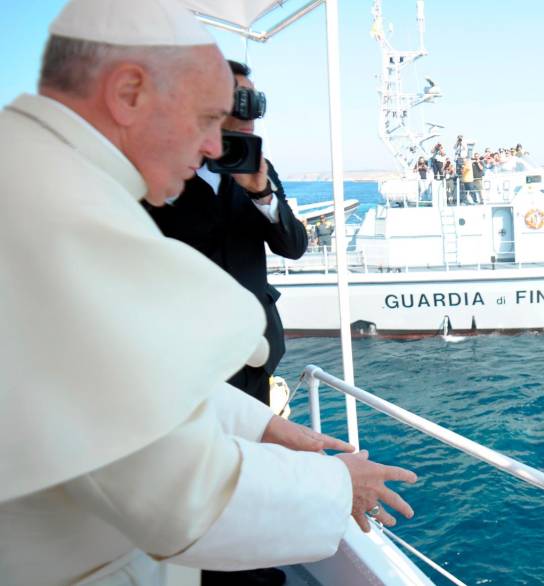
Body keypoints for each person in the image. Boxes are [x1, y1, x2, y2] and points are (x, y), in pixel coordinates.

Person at [0, 2, 416, 585]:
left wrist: (260, 425)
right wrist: (339, 483)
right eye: (206, 119)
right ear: (128, 94)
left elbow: (124, 380)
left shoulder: (45, 177)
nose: (215, 148)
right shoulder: (56, 216)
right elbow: (178, 494)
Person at [146, 59, 306, 408]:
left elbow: (293, 246)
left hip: (256, 355)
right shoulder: (159, 172)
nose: (251, 115)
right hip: (189, 362)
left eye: (256, 102)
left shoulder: (260, 167)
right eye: (239, 102)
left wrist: (262, 194)